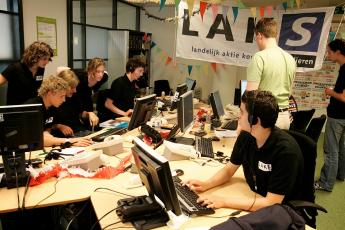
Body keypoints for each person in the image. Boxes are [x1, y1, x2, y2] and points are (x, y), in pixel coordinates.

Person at [186, 90, 303, 211]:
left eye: (242, 112)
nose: (238, 116)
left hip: (283, 211)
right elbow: (229, 170)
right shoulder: (246, 135)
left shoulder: (286, 151)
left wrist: (223, 201)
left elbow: (271, 203)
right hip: (254, 196)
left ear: (254, 120)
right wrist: (206, 184)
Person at [246, 18, 296, 129]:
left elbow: (250, 95)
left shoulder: (259, 57)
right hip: (284, 119)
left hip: (266, 118)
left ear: (259, 35)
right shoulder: (290, 58)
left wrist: (243, 122)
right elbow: (289, 93)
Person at [25, 75, 92, 147]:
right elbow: (36, 139)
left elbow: (46, 131)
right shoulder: (32, 108)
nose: (64, 100)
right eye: (61, 96)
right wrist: (70, 141)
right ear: (50, 93)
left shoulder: (52, 107)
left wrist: (69, 141)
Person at [315, 39, 345, 192]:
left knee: (330, 150)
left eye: (329, 52)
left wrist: (330, 92)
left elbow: (344, 97)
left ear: (338, 52)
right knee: (340, 147)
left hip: (338, 116)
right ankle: (340, 174)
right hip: (342, 116)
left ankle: (326, 183)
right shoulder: (343, 67)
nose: (328, 54)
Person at [54, 69, 99, 137]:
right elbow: (47, 124)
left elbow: (80, 113)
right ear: (63, 86)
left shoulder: (74, 96)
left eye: (75, 87)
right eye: (72, 88)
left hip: (79, 130)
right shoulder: (54, 100)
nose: (75, 91)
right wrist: (59, 126)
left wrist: (89, 113)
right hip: (64, 135)